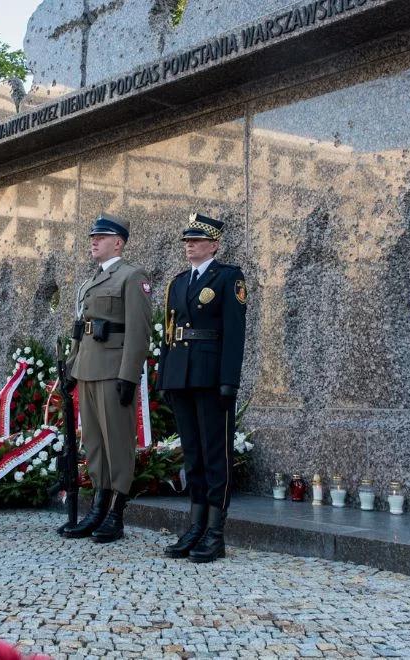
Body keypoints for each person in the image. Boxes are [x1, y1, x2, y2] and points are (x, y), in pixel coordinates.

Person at [158, 213, 248, 563]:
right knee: (193, 454)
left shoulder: (228, 277)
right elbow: (168, 333)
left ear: (214, 244)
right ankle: (194, 526)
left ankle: (215, 532)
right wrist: (165, 376)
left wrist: (229, 380)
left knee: (215, 454)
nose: (189, 245)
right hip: (181, 375)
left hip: (211, 376)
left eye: (196, 240)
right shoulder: (177, 283)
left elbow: (234, 332)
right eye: (186, 241)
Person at [60, 213, 153, 543]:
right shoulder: (89, 283)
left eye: (100, 237)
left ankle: (116, 512)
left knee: (117, 444)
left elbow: (139, 333)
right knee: (95, 444)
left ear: (119, 242)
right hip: (87, 370)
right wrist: (71, 368)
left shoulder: (132, 276)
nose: (93, 242)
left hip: (114, 372)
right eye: (91, 237)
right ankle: (98, 506)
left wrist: (128, 376)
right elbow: (79, 330)